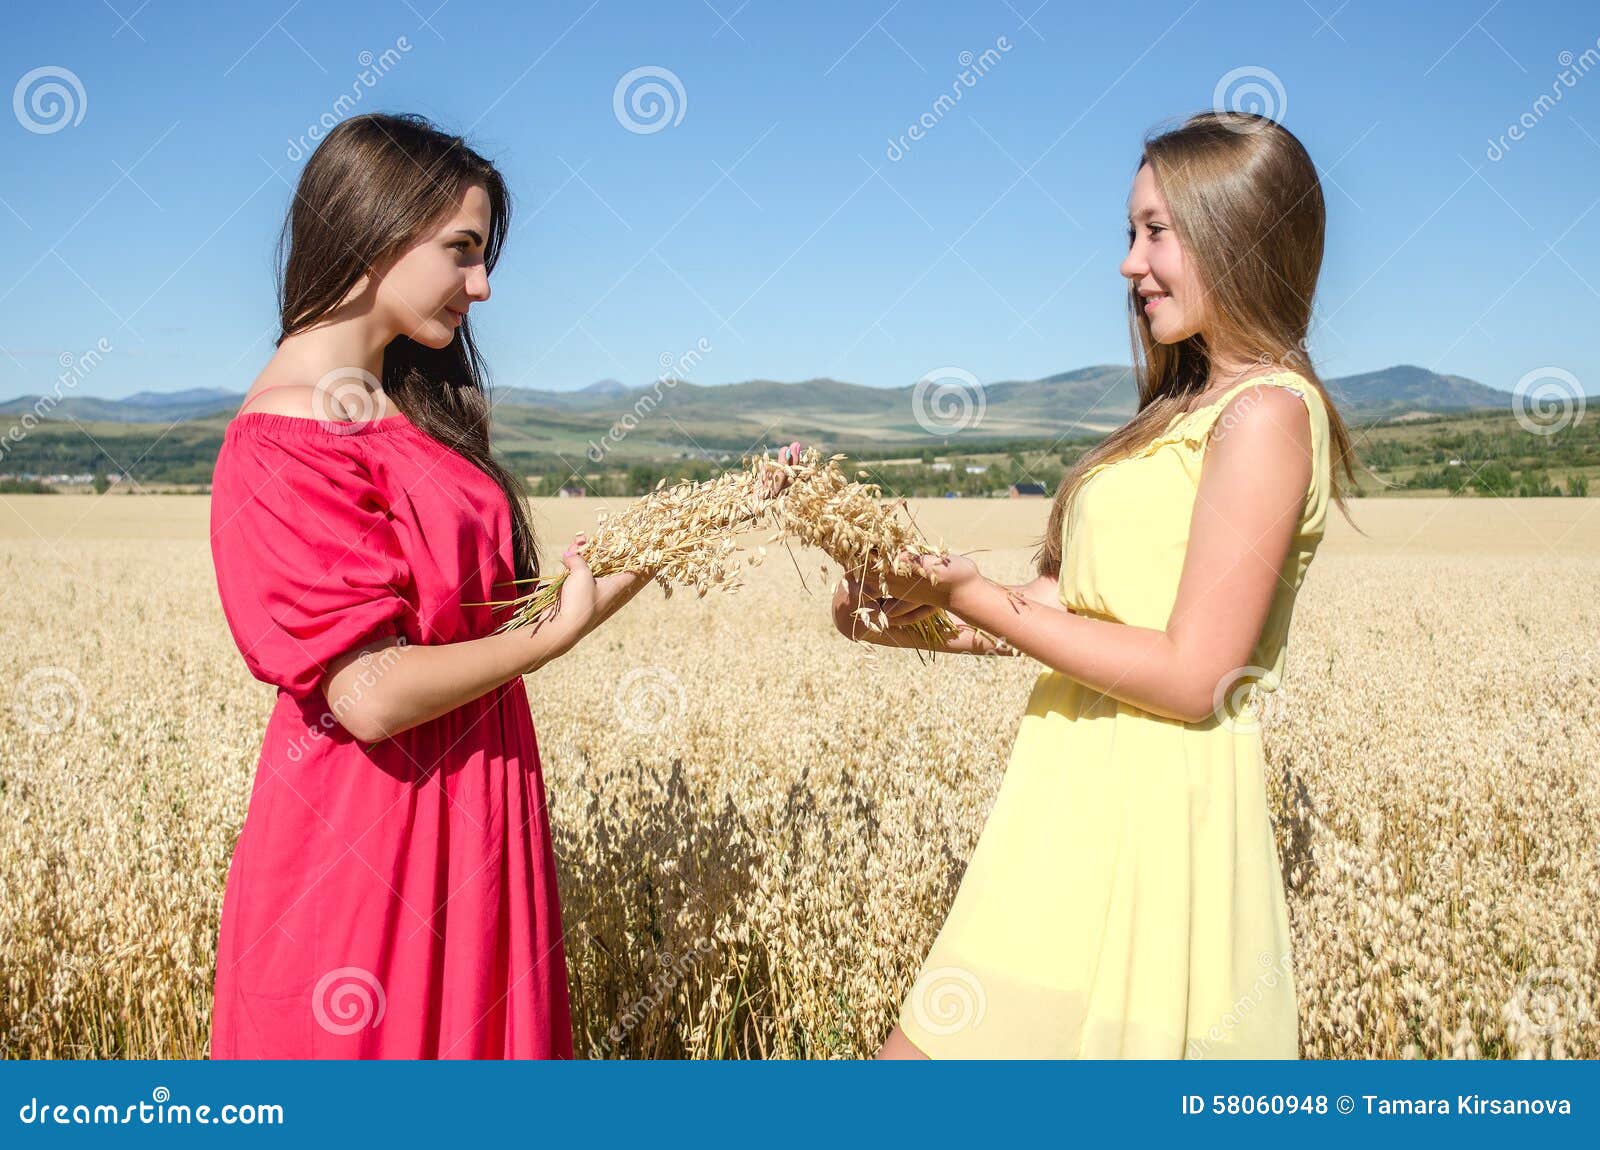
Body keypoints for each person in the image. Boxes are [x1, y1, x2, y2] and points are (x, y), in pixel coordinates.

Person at [831, 111, 1363, 1058]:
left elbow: (1194, 674)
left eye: (1156, 231)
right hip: (1061, 813)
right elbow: (1049, 618)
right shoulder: (1171, 416)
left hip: (1150, 831)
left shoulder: (1268, 417)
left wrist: (970, 598)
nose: (1128, 263)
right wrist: (903, 609)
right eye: (1130, 233)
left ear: (1236, 236)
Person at [208, 112, 654, 1058]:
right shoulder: (282, 440)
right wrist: (551, 639)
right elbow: (368, 698)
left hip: (477, 820)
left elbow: (510, 621)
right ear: (373, 229)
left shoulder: (399, 408)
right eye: (461, 251)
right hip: (375, 853)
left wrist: (686, 534)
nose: (481, 286)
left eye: (484, 255)